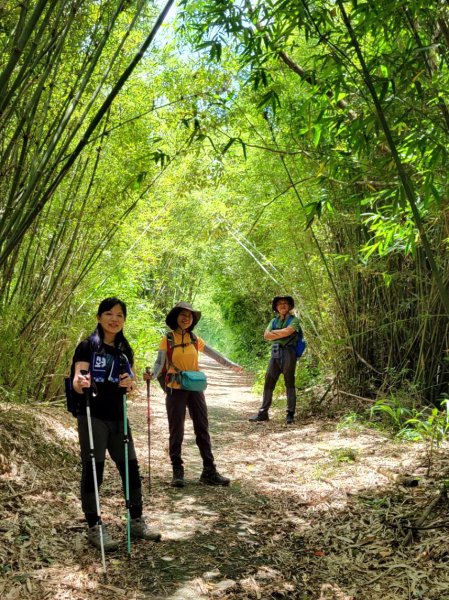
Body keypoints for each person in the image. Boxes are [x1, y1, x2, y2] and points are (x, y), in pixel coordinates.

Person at [71, 297, 161, 551]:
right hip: (92, 415)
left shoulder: (124, 350)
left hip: (117, 415)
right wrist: (81, 382)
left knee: (130, 466)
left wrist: (129, 383)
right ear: (99, 317)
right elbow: (78, 377)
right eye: (109, 314)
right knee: (94, 468)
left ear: (124, 320)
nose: (114, 319)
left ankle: (136, 520)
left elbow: (130, 383)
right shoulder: (88, 346)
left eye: (120, 315)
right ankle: (94, 526)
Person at [144, 301, 241, 488]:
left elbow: (214, 354)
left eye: (190, 316)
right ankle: (177, 471)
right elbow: (159, 362)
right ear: (176, 317)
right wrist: (152, 375)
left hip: (195, 388)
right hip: (175, 388)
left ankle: (209, 470)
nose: (186, 318)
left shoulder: (195, 339)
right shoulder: (168, 339)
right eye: (183, 315)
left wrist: (231, 365)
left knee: (202, 428)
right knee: (176, 430)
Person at [249, 295, 302, 424]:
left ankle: (290, 414)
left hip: (289, 351)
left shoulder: (294, 320)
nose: (282, 305)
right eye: (279, 304)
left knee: (289, 382)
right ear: (276, 308)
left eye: (285, 303)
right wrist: (281, 333)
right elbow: (266, 335)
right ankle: (263, 413)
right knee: (269, 381)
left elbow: (288, 332)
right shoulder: (273, 321)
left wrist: (276, 334)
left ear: (289, 306)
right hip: (275, 352)